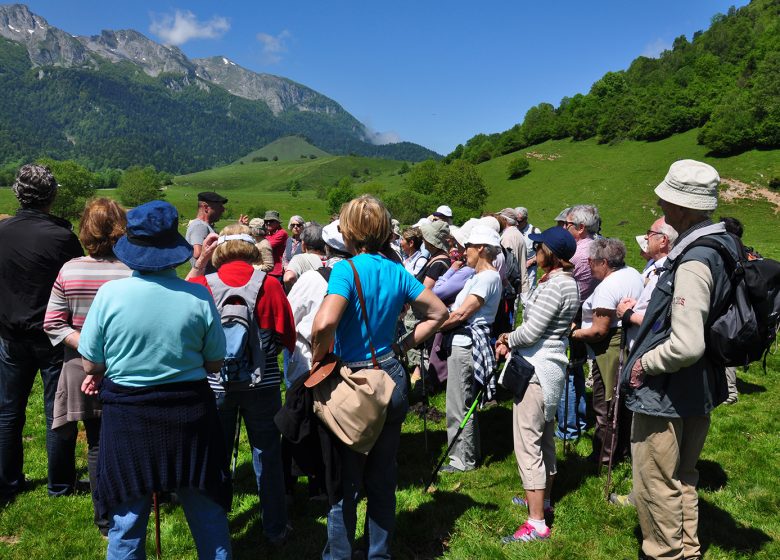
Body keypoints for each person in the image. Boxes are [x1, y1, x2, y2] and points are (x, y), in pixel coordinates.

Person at [78, 200, 232, 559]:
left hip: (129, 418)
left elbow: (89, 363)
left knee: (128, 521)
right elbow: (214, 362)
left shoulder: (110, 296)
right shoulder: (197, 295)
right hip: (190, 416)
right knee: (207, 511)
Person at [310, 195, 447, 559]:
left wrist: (318, 354)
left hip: (353, 381)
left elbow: (325, 321)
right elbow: (439, 312)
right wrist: (402, 346)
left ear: (349, 230)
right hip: (391, 374)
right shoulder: (397, 271)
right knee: (383, 480)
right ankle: (379, 555)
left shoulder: (345, 270)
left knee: (345, 484)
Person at [620, 159, 737, 560]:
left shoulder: (693, 260)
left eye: (666, 201)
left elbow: (686, 345)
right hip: (699, 386)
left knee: (655, 481)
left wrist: (644, 364)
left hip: (668, 390)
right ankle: (687, 550)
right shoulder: (723, 245)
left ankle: (664, 553)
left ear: (684, 207)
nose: (661, 206)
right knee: (684, 475)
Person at [189, 223, 296, 545]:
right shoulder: (270, 284)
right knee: (268, 454)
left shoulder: (203, 285)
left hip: (215, 383)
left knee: (215, 454)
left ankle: (217, 526)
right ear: (252, 249)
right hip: (262, 384)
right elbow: (287, 334)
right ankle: (275, 528)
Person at [43, 198, 132, 534]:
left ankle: (104, 519)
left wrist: (86, 345)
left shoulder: (70, 269)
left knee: (95, 442)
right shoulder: (130, 272)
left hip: (81, 367)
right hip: (125, 366)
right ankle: (129, 502)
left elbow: (52, 322)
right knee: (124, 439)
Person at [0, 164, 83, 500]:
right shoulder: (62, 237)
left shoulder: (2, 232)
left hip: (9, 334)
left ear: (18, 194)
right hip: (53, 334)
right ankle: (59, 485)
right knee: (57, 413)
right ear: (52, 196)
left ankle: (7, 483)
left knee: (7, 412)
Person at [496, 226, 579, 543]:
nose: (534, 252)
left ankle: (536, 523)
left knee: (528, 444)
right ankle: (542, 501)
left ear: (551, 254)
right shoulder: (565, 283)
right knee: (544, 440)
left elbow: (531, 333)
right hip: (551, 366)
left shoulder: (555, 286)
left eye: (539, 248)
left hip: (536, 369)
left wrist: (506, 337)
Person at [570, 238, 643, 465]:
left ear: (603, 262)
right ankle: (621, 450)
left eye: (591, 262)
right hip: (630, 344)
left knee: (606, 405)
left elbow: (599, 331)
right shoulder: (632, 273)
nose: (590, 266)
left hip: (609, 350)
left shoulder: (607, 287)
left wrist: (573, 332)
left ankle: (604, 457)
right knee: (621, 403)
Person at [437, 225, 503, 473]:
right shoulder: (479, 276)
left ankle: (462, 460)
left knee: (458, 404)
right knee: (462, 402)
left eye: (469, 247)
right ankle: (466, 455)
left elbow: (462, 313)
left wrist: (433, 327)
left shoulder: (487, 278)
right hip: (465, 342)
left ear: (482, 249)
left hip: (467, 343)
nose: (464, 252)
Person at [555, 204, 600, 441]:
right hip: (584, 317)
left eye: (568, 225)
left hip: (572, 319)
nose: (564, 228)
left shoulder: (578, 254)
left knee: (568, 374)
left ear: (581, 228)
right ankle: (579, 420)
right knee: (576, 372)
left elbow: (568, 292)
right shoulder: (595, 246)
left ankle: (567, 428)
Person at [617, 217, 678, 348]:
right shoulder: (658, 267)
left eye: (650, 233)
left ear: (663, 241)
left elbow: (662, 321)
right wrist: (637, 304)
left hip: (648, 350)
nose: (645, 238)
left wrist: (629, 315)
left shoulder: (667, 272)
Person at [186, 191, 228, 274]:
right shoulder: (200, 226)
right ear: (206, 207)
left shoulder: (205, 226)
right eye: (219, 206)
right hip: (206, 280)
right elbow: (198, 254)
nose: (223, 210)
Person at [283, 222, 326, 291]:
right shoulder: (332, 258)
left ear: (303, 243)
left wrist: (295, 292)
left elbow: (288, 278)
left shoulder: (299, 258)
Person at [499, 208, 528, 299]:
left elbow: (508, 264)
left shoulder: (508, 236)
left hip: (509, 286)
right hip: (515, 283)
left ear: (505, 220)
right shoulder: (516, 233)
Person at [516, 207, 542, 294]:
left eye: (519, 221)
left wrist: (531, 261)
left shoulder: (534, 232)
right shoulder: (512, 231)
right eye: (515, 220)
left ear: (526, 219)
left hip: (529, 270)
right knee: (514, 301)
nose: (517, 223)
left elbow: (542, 253)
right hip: (514, 271)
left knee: (527, 300)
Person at [263, 210, 288, 283]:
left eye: (271, 221)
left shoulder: (282, 233)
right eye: (266, 221)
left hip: (276, 271)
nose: (268, 223)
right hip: (267, 269)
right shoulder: (268, 233)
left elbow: (267, 246)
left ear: (277, 222)